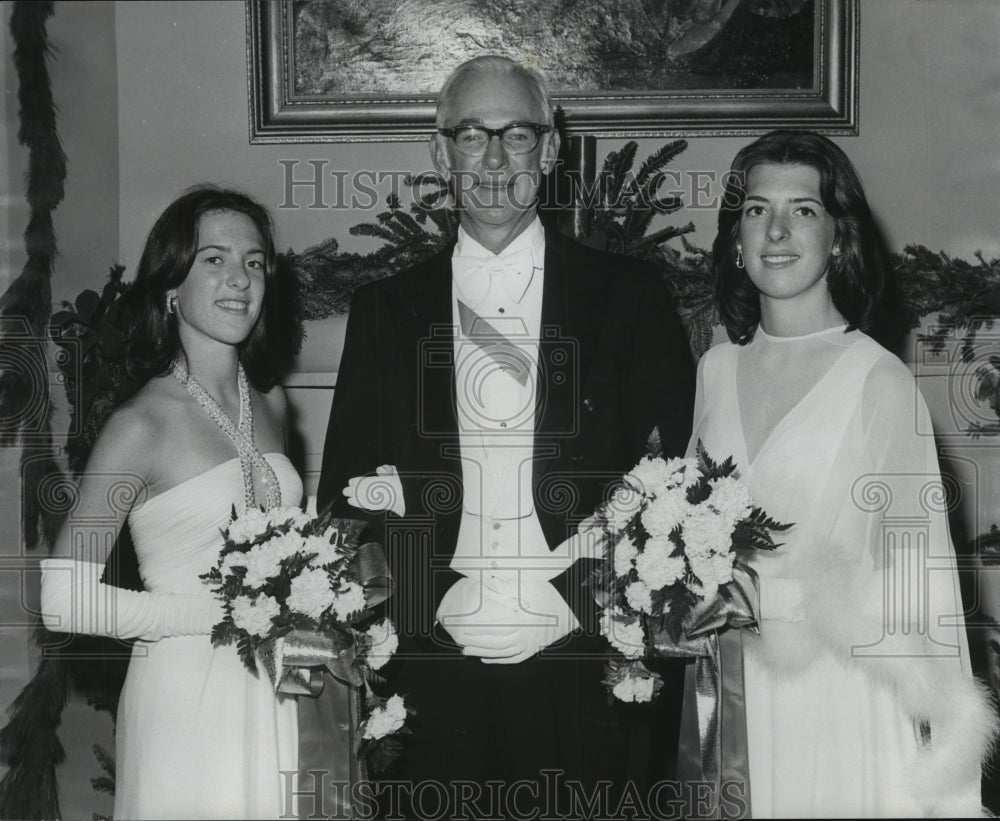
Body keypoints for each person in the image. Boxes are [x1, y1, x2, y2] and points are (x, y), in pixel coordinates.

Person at [317, 56, 696, 815]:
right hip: (431, 670)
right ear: (439, 152)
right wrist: (430, 595)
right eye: (471, 136)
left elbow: (680, 482)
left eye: (516, 134)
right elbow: (345, 499)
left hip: (585, 660)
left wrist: (574, 598)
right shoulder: (385, 310)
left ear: (550, 150)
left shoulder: (628, 296)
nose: (493, 160)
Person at [684, 130, 995, 816]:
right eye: (757, 209)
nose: (777, 229)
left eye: (804, 210)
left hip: (837, 701)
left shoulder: (878, 380)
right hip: (729, 696)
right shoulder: (715, 370)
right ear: (736, 238)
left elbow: (924, 582)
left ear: (839, 239)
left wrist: (951, 785)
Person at [40, 186, 299, 819]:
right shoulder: (141, 425)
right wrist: (215, 615)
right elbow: (62, 599)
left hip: (280, 688)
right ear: (170, 285)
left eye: (255, 261)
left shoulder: (272, 404)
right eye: (214, 259)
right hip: (184, 695)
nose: (239, 278)